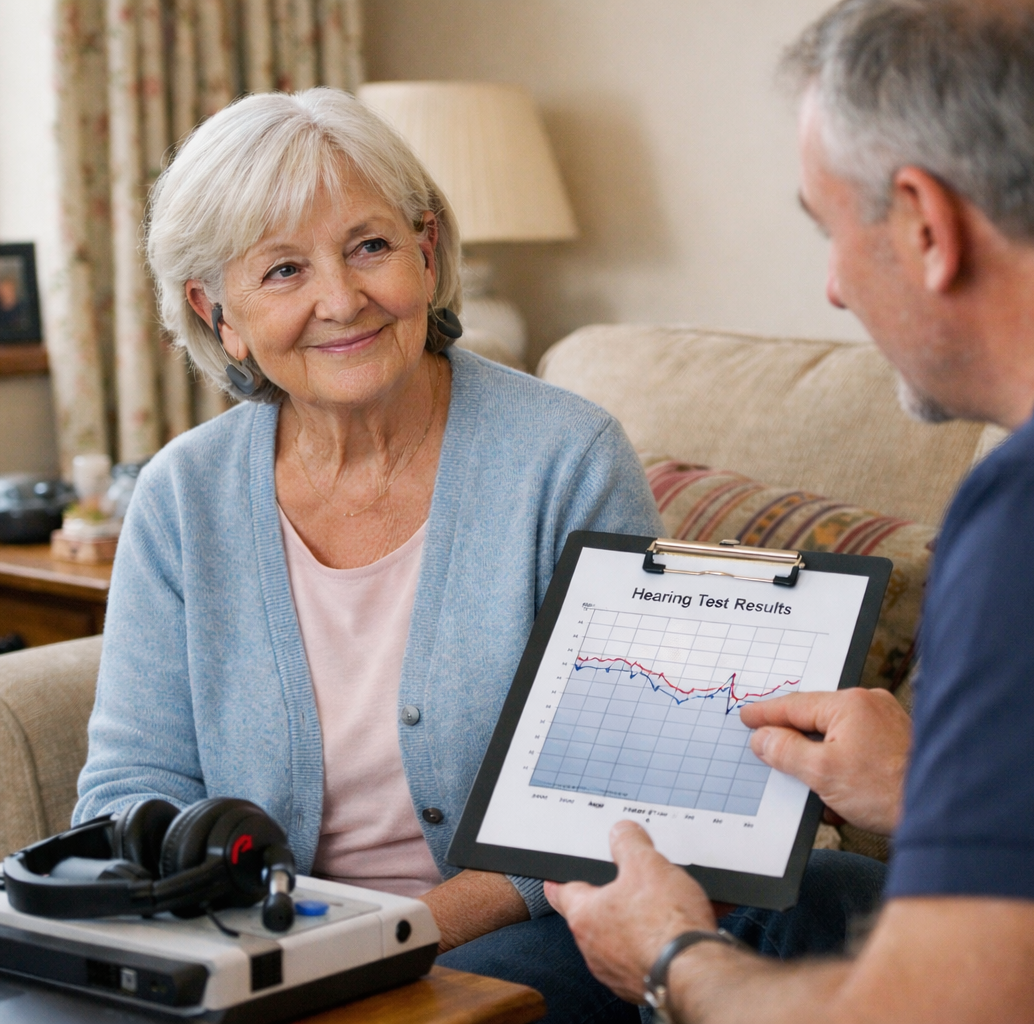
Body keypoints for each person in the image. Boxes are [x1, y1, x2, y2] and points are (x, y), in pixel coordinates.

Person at [547, 1, 1034, 1021]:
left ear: (927, 221)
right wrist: (946, 792)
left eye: (830, 228)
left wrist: (671, 958)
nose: (834, 287)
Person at [72, 87, 673, 1021]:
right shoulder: (182, 494)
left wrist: (379, 942)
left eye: (370, 246)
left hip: (518, 933)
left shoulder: (567, 458)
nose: (341, 299)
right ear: (215, 309)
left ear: (426, 253)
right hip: (260, 951)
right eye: (281, 271)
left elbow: (607, 793)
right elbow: (130, 782)